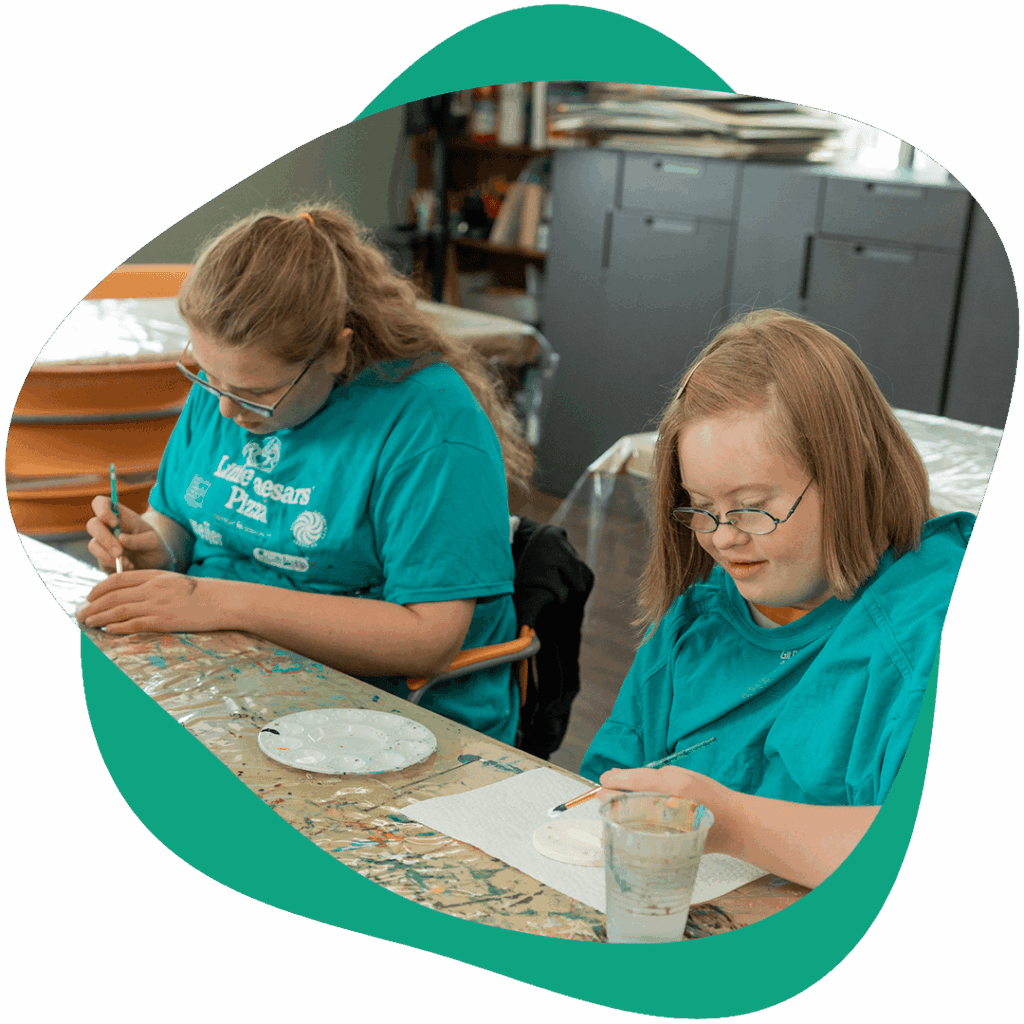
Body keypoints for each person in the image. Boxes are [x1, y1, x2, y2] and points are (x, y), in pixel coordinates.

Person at [78, 204, 533, 745]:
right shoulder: (229, 384)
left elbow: (429, 638)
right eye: (207, 376)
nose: (226, 410)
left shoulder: (430, 426)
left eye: (257, 394)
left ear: (337, 351)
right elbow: (177, 517)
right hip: (233, 673)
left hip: (393, 715)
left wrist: (215, 600)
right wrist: (154, 547)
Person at [580, 309, 973, 888]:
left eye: (752, 506)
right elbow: (604, 792)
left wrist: (733, 824)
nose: (723, 538)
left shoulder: (936, 627)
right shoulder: (697, 627)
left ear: (850, 476)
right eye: (701, 508)